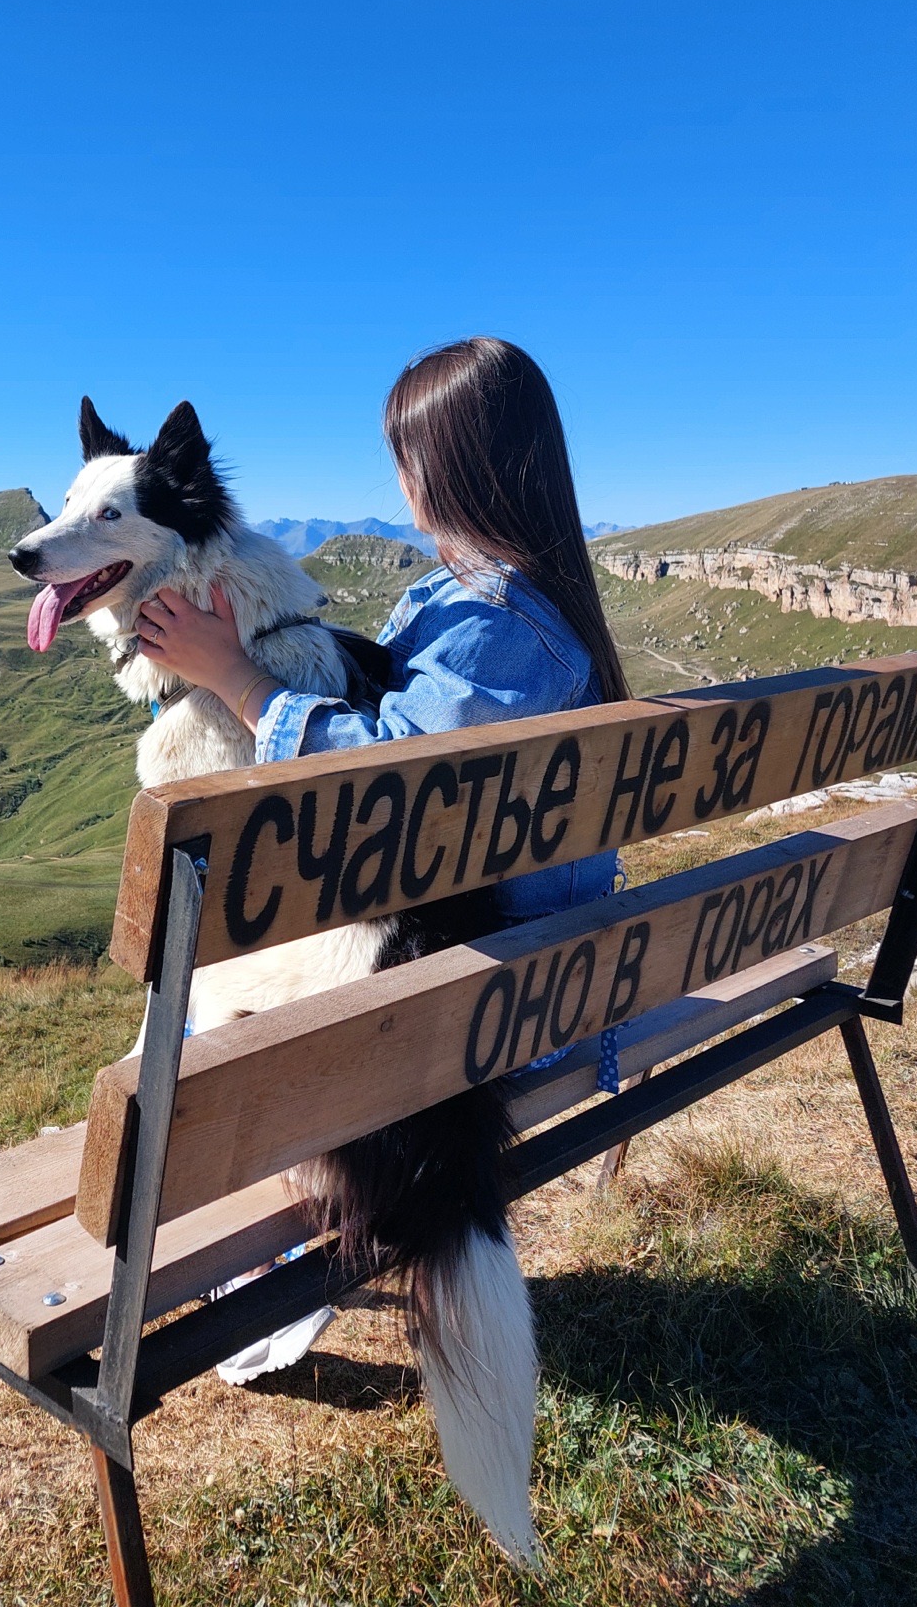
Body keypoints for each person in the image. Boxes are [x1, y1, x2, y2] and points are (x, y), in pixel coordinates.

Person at [133, 336, 629, 1386]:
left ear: (448, 466)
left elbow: (387, 787)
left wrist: (234, 674)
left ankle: (241, 1271)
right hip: (546, 973)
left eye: (405, 455)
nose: (397, 480)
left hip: (492, 1015)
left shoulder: (502, 628)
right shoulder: (527, 606)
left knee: (210, 969)